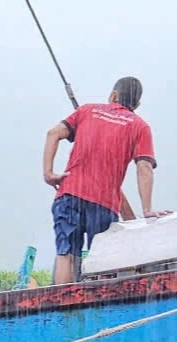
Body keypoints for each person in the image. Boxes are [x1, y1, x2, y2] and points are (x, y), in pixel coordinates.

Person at [41, 76, 161, 285]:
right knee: (102, 260)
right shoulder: (140, 127)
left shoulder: (87, 111)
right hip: (104, 204)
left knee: (66, 254)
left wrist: (49, 173)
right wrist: (147, 210)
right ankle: (97, 306)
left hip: (70, 193)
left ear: (113, 95)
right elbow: (144, 167)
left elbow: (53, 133)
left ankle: (63, 311)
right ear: (137, 105)